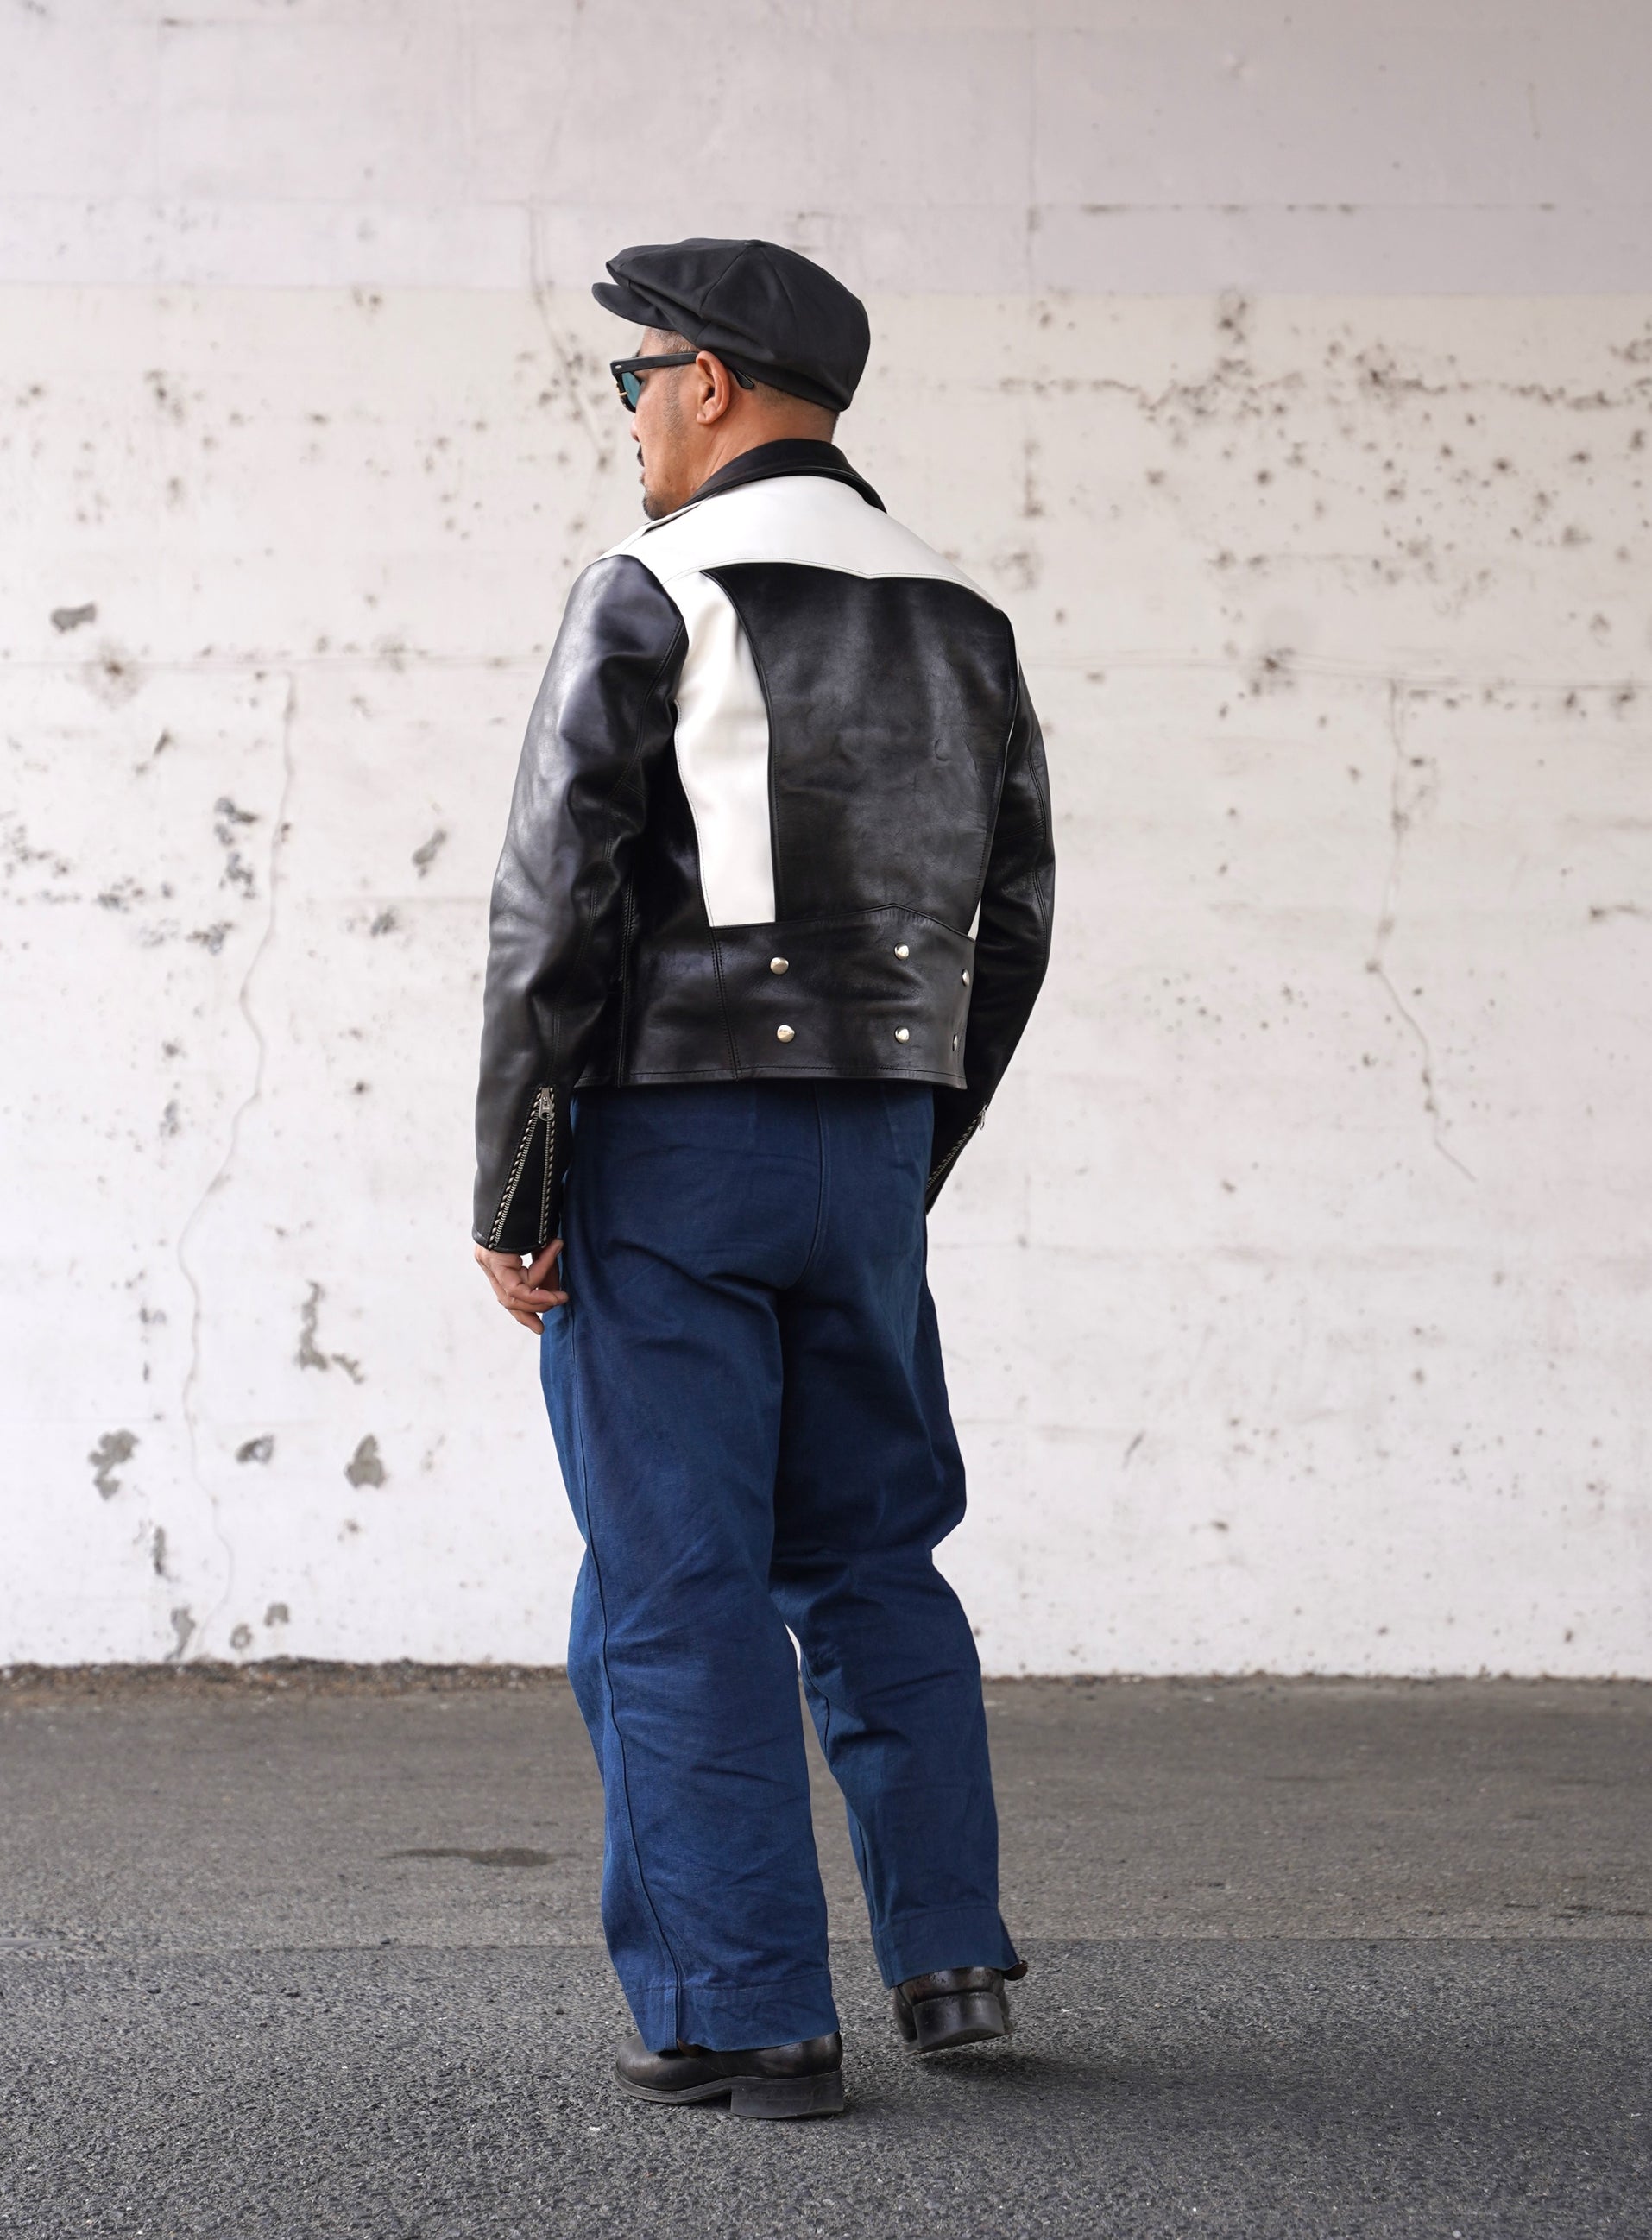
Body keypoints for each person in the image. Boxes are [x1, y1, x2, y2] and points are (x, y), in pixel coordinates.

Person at [471, 237, 1054, 2119]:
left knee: (676, 1577)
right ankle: (948, 1954)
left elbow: (551, 910)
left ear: (708, 380)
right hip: (872, 1143)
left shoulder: (652, 585)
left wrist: (517, 1179)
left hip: (674, 1148)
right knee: (872, 1547)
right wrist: (910, 1145)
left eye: (635, 376)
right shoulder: (963, 615)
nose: (631, 414)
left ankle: (747, 2011)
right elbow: (1013, 923)